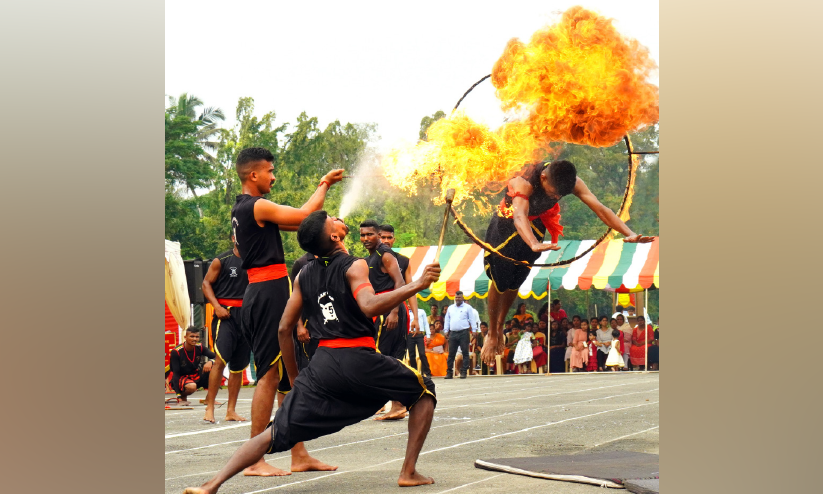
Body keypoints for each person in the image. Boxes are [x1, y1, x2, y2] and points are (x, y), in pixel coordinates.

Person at [183, 211, 442, 494]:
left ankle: (212, 484)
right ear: (334, 236)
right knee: (424, 390)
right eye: (333, 220)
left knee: (275, 431)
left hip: (322, 364)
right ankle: (408, 472)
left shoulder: (303, 274)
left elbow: (284, 329)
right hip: (359, 357)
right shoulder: (355, 266)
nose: (337, 221)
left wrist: (296, 379)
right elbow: (368, 305)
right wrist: (418, 284)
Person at [230, 147, 341, 476]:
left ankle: (299, 453)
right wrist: (324, 184)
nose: (274, 177)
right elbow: (306, 218)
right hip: (266, 294)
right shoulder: (256, 205)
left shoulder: (242, 209)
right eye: (269, 171)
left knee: (287, 381)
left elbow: (296, 228)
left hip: (269, 291)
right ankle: (254, 459)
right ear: (254, 175)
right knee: (268, 376)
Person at [479, 160, 654, 367]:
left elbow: (600, 208)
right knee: (500, 280)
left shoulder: (572, 182)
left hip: (533, 225)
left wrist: (630, 233)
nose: (555, 198)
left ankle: (500, 326)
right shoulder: (524, 181)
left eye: (558, 196)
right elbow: (518, 216)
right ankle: (492, 332)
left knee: (516, 279)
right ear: (543, 177)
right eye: (553, 193)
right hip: (507, 225)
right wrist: (534, 244)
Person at [360, 220, 409, 419]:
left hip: (389, 309)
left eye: (369, 235)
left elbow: (400, 282)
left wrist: (394, 311)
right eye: (362, 235)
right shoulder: (371, 257)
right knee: (386, 357)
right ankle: (387, 402)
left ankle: (398, 404)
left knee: (387, 358)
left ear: (379, 236)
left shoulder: (385, 255)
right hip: (380, 308)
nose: (365, 239)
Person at [201, 236, 251, 423]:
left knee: (238, 367)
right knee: (220, 360)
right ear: (233, 238)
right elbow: (206, 284)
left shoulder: (254, 260)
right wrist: (217, 307)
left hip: (246, 317)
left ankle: (231, 410)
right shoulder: (221, 260)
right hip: (226, 315)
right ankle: (210, 408)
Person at [380, 224, 428, 378]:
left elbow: (410, 289)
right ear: (377, 238)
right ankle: (378, 399)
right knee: (379, 353)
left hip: (400, 311)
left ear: (394, 239)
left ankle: (397, 400)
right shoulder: (367, 261)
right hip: (378, 310)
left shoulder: (403, 261)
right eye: (383, 237)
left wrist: (415, 317)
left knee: (398, 355)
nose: (386, 241)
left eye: (389, 238)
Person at [169, 326, 215, 406]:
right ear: (185, 337)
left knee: (216, 369)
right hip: (182, 378)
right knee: (192, 387)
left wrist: (211, 361)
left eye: (197, 337)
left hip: (195, 375)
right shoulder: (176, 351)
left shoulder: (200, 347)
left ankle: (209, 399)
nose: (194, 339)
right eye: (192, 336)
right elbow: (176, 374)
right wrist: (179, 397)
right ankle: (183, 397)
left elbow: (216, 357)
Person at [443, 291, 478, 379]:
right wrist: (446, 330)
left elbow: (472, 319)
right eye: (456, 297)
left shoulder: (468, 308)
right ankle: (449, 372)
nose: (458, 299)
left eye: (459, 297)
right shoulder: (451, 308)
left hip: (464, 332)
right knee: (451, 353)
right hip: (453, 333)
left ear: (462, 298)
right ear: (455, 298)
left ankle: (463, 371)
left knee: (465, 352)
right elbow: (447, 319)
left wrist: (474, 330)